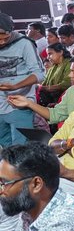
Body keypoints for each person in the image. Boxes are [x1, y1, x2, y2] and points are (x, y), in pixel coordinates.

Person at [0, 13, 46, 146]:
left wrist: (16, 86)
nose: (2, 42)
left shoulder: (24, 43)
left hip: (19, 104)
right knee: (6, 149)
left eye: (5, 38)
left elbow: (40, 74)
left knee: (21, 148)